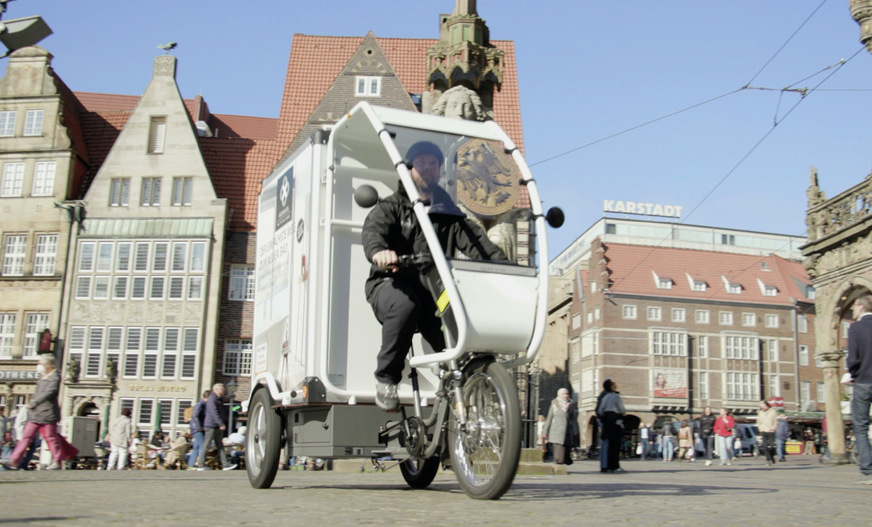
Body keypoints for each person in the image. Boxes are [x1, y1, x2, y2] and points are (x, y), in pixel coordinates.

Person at [361, 140, 508, 411]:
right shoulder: (392, 207)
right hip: (391, 282)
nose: (428, 168)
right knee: (406, 306)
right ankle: (387, 378)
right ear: (409, 169)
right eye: (422, 163)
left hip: (434, 290)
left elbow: (479, 245)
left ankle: (454, 389)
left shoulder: (448, 213)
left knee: (458, 321)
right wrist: (380, 251)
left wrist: (505, 267)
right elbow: (374, 231)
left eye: (433, 164)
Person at [0, 354, 78, 470]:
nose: (39, 365)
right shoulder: (43, 376)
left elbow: (49, 392)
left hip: (48, 414)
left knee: (51, 437)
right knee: (26, 437)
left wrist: (35, 402)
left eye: (41, 363)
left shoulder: (55, 377)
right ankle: (14, 460)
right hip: (35, 414)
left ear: (48, 365)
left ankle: (57, 461)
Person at [847, 294, 872, 484]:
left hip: (864, 382)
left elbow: (853, 358)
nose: (852, 310)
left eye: (854, 306)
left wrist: (852, 374)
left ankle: (868, 469)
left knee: (861, 427)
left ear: (861, 307)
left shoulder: (855, 328)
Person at [197, 383, 237, 471]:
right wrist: (221, 423)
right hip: (211, 425)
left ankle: (225, 464)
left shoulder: (219, 399)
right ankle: (201, 465)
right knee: (207, 445)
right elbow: (213, 412)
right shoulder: (212, 398)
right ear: (217, 390)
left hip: (216, 425)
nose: (224, 391)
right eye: (223, 389)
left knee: (220, 445)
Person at [595, 378, 625, 473]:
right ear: (611, 386)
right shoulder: (615, 396)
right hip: (615, 421)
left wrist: (604, 417)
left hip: (607, 421)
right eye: (614, 383)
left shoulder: (605, 396)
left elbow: (600, 410)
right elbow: (622, 410)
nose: (615, 384)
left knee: (607, 443)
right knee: (615, 444)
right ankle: (614, 465)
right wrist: (621, 414)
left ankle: (606, 465)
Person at [542, 388, 578, 465]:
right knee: (558, 450)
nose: (566, 395)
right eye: (564, 394)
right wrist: (545, 432)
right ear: (559, 395)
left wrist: (575, 429)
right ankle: (558, 462)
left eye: (567, 394)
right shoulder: (554, 404)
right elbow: (549, 418)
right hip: (556, 431)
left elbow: (574, 418)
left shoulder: (571, 404)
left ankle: (564, 460)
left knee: (566, 448)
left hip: (567, 431)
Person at [186, 390, 210, 469]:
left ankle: (191, 465)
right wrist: (199, 427)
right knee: (202, 446)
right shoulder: (201, 404)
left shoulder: (202, 404)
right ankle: (201, 465)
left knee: (196, 446)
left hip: (195, 428)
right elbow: (195, 416)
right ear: (207, 397)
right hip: (197, 428)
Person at [757, 400, 778, 467]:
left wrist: (773, 428)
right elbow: (758, 422)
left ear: (765, 404)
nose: (760, 405)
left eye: (761, 404)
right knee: (764, 446)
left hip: (770, 430)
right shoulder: (760, 412)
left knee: (772, 446)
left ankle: (771, 457)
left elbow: (775, 421)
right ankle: (769, 460)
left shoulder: (772, 412)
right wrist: (760, 428)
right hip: (763, 430)